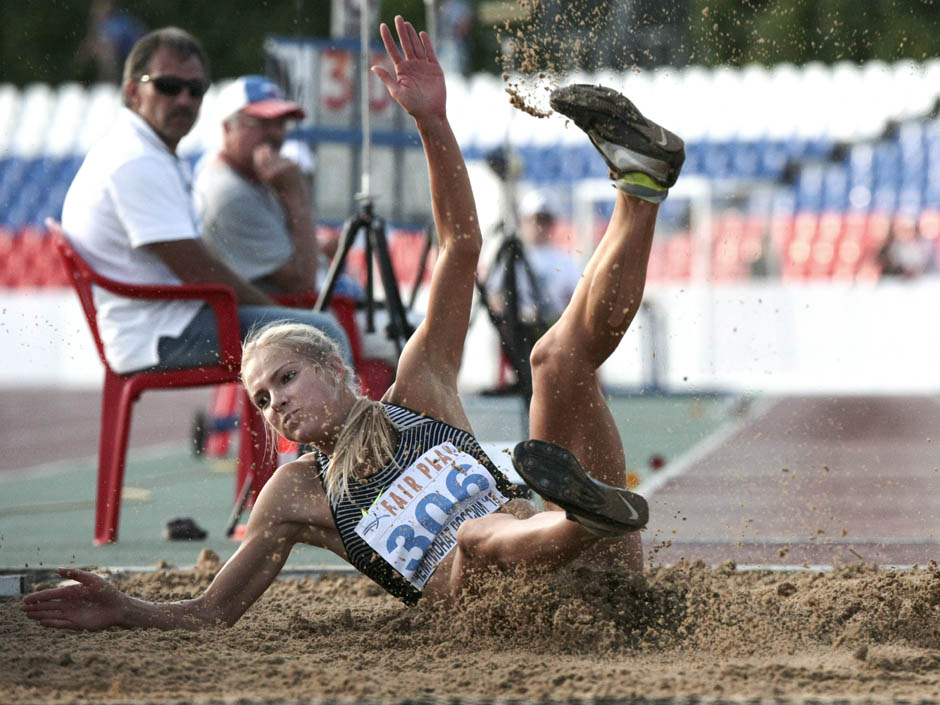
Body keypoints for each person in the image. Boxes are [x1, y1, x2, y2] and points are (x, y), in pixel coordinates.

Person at [22, 16, 684, 628]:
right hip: (516, 615)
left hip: (597, 584)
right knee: (473, 539)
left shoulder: (421, 388)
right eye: (259, 398)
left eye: (285, 378)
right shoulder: (294, 491)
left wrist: (432, 121)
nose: (274, 402)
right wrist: (126, 608)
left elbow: (460, 246)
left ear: (338, 368)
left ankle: (640, 189)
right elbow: (208, 612)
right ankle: (587, 516)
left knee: (553, 361)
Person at [60, 27, 350, 375]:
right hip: (162, 332)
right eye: (168, 86)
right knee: (322, 333)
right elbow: (199, 271)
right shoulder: (137, 161)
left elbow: (199, 267)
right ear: (133, 92)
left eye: (195, 89)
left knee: (315, 325)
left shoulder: (144, 152)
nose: (184, 99)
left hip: (163, 321)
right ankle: (349, 431)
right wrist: (283, 317)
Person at [195, 76, 320, 295]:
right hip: (266, 322)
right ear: (227, 128)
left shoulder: (253, 177)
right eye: (261, 122)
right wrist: (297, 196)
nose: (275, 133)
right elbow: (303, 285)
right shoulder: (231, 192)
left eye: (281, 123)